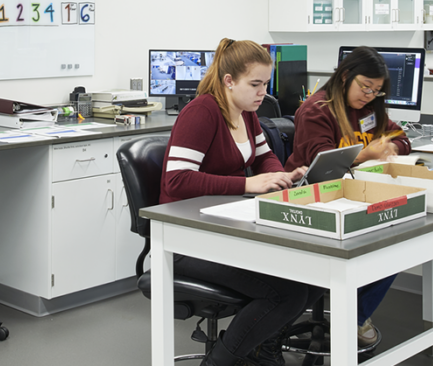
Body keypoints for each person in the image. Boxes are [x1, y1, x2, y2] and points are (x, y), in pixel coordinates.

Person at [160, 38, 311, 366]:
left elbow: (265, 156)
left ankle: (260, 349)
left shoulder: (246, 113)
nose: (263, 93)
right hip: (184, 239)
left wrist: (277, 178)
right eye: (255, 84)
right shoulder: (201, 113)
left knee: (308, 273)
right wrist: (248, 184)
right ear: (229, 81)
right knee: (286, 293)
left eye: (265, 84)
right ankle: (220, 361)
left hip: (223, 226)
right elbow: (177, 180)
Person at [286, 46, 411, 348]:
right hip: (313, 198)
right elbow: (322, 161)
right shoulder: (317, 111)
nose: (369, 96)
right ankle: (351, 315)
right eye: (365, 87)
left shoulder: (369, 111)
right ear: (345, 77)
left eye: (377, 91)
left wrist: (393, 148)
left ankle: (353, 315)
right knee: (381, 242)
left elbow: (401, 137)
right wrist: (365, 154)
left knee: (401, 241)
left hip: (354, 196)